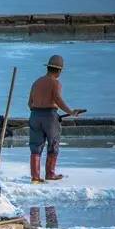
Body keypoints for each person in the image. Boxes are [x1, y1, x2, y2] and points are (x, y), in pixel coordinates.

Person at [27, 55, 85, 183]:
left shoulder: (36, 82)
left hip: (35, 115)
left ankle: (35, 177)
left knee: (35, 146)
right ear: (59, 71)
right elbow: (58, 100)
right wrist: (71, 112)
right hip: (50, 116)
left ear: (48, 67)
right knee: (53, 144)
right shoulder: (55, 83)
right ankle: (50, 173)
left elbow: (30, 103)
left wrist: (37, 113)